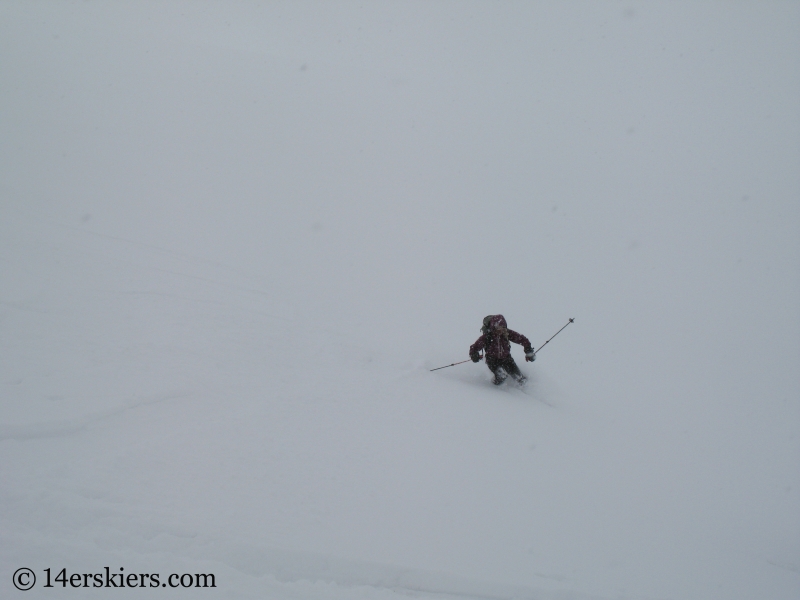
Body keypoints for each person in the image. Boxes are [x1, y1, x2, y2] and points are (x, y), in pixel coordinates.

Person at [469, 315, 535, 385]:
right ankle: (493, 389)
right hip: (492, 360)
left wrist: (529, 351)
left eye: (503, 328)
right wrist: (474, 355)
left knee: (520, 378)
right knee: (501, 376)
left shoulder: (507, 333)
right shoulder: (487, 336)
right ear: (493, 328)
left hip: (507, 359)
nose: (501, 331)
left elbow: (523, 340)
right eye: (498, 328)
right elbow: (474, 347)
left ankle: (524, 390)